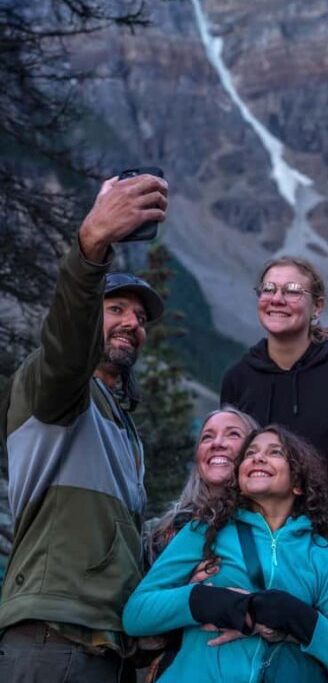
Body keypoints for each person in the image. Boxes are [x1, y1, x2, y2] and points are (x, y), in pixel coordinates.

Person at [0, 172, 168, 683]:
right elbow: (67, 344)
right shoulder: (54, 388)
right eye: (116, 309)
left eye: (141, 319)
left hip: (104, 647)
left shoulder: (121, 426)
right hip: (54, 638)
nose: (132, 324)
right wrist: (91, 247)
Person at [123, 425, 328, 683]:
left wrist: (292, 616)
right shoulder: (205, 530)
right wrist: (204, 601)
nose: (258, 457)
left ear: (298, 484)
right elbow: (136, 615)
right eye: (250, 453)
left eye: (275, 452)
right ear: (239, 481)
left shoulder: (322, 555)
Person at [220, 256, 328, 464]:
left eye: (292, 291)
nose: (276, 299)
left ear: (317, 307)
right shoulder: (238, 379)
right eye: (268, 289)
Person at [147, 407, 259, 564]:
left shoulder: (273, 529)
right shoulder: (163, 533)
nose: (217, 443)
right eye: (207, 437)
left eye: (233, 434)